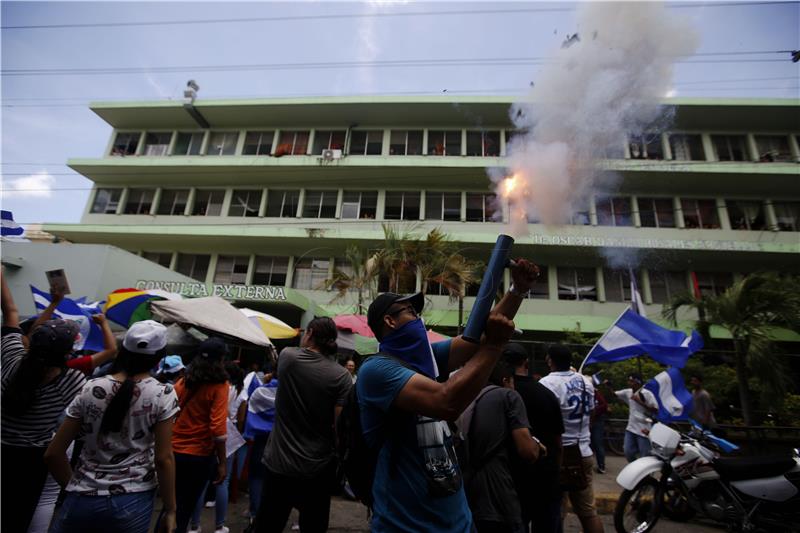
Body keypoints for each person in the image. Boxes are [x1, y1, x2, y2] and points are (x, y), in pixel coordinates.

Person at [356, 259, 537, 532]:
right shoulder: (377, 370)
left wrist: (517, 292)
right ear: (389, 321)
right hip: (405, 525)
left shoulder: (427, 359)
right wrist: (496, 346)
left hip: (459, 522)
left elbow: (476, 341)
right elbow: (446, 402)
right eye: (410, 311)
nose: (418, 317)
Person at [44, 320, 179, 533]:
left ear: (123, 350)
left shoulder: (91, 387)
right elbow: (163, 458)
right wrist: (171, 509)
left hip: (81, 497)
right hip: (133, 499)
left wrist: (75, 487)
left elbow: (53, 454)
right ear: (159, 357)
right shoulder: (163, 394)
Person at [1, 271, 87, 533]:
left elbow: (11, 312)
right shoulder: (71, 382)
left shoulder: (11, 359)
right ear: (68, 352)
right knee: (16, 518)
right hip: (29, 462)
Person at [253, 317, 352, 533]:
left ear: (310, 333)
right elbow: (340, 428)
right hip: (317, 468)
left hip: (279, 464)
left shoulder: (289, 358)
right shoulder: (342, 376)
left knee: (268, 525)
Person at [460, 360, 544, 533]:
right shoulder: (508, 396)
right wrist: (537, 445)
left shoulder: (467, 397)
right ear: (506, 380)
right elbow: (527, 451)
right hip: (498, 492)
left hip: (467, 490)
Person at [539, 345, 603, 533]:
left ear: (550, 360)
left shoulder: (547, 383)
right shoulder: (585, 382)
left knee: (556, 510)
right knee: (588, 511)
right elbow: (591, 414)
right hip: (583, 451)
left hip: (559, 454)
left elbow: (545, 420)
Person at [502, 343, 565, 533]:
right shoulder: (546, 393)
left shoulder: (498, 395)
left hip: (512, 478)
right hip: (545, 476)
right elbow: (558, 441)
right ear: (526, 363)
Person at [171, 338, 230, 533]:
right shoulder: (220, 385)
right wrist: (222, 462)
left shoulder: (183, 381)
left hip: (173, 450)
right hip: (199, 455)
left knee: (171, 506)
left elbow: (169, 411)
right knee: (185, 506)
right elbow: (218, 429)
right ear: (221, 360)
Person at [188, 362, 246, 533]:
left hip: (209, 432)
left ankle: (194, 525)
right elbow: (241, 418)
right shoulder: (241, 392)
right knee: (224, 481)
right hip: (230, 433)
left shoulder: (214, 387)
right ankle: (220, 526)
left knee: (203, 481)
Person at [239, 362, 278, 529]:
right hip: (280, 443)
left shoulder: (259, 392)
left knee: (256, 477)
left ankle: (255, 514)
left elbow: (250, 414)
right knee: (275, 480)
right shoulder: (291, 393)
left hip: (261, 441)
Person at [615, 373, 658, 462]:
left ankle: (646, 473)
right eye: (629, 381)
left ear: (637, 382)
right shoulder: (628, 392)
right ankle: (634, 467)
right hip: (631, 427)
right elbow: (615, 395)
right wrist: (609, 386)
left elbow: (655, 409)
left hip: (643, 428)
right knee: (628, 451)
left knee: (645, 455)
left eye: (632, 381)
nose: (629, 383)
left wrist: (639, 401)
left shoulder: (646, 393)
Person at [590, 384, 609, 474]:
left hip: (597, 420)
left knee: (598, 443)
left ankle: (601, 465)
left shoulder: (595, 393)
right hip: (590, 420)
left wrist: (594, 410)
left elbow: (604, 405)